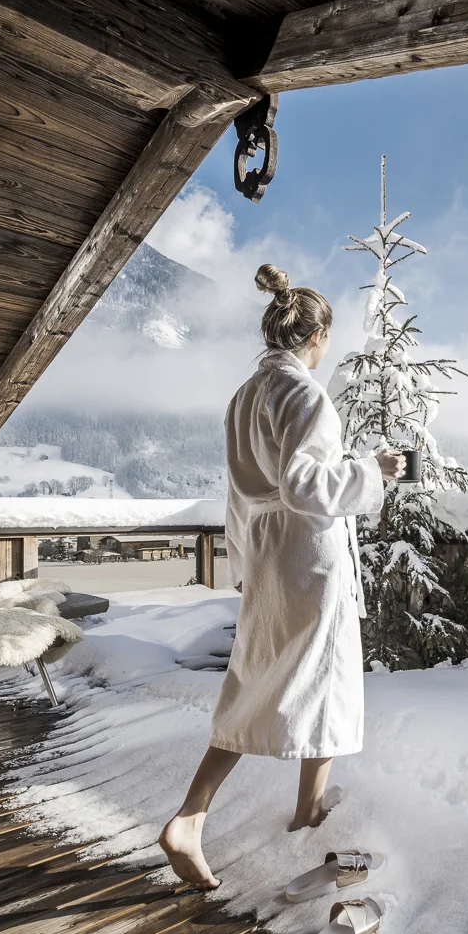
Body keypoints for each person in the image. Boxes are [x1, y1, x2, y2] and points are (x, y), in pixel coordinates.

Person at [157, 264, 405, 890]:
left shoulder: (244, 397)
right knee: (325, 680)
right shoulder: (306, 395)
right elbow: (304, 485)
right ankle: (306, 813)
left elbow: (240, 496)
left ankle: (193, 817)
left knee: (254, 684)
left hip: (266, 557)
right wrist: (372, 471)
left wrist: (241, 564)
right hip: (306, 559)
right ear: (316, 337)